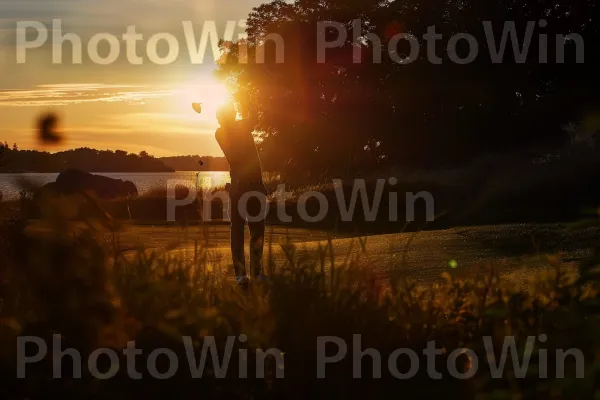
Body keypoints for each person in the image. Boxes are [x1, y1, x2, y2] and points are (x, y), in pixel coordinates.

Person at [215, 102, 267, 287]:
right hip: (239, 188)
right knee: (238, 231)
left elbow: (254, 117)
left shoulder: (241, 126)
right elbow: (250, 121)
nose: (234, 115)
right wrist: (245, 100)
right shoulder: (221, 132)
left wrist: (248, 98)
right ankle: (241, 275)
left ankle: (256, 273)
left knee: (257, 231)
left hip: (255, 186)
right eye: (231, 113)